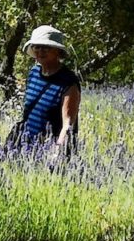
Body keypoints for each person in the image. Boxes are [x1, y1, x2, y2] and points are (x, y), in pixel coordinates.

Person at [8, 25, 80, 156]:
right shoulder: (33, 73)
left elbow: (68, 124)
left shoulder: (68, 81)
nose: (40, 51)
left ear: (57, 51)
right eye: (37, 47)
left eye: (46, 47)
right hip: (25, 145)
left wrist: (57, 152)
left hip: (51, 148)